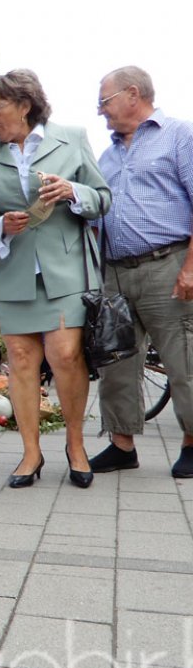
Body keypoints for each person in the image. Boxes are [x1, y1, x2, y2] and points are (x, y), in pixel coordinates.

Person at [0, 69, 111, 489]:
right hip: (12, 274)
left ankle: (76, 445)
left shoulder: (73, 138)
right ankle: (30, 453)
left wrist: (72, 192)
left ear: (25, 104)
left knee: (65, 355)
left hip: (65, 271)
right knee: (22, 362)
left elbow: (103, 199)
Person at [88, 66, 193, 479]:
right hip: (114, 270)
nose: (100, 112)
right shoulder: (107, 154)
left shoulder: (178, 135)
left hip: (166, 265)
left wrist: (190, 268)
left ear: (133, 94)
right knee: (115, 361)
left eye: (104, 101)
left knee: (182, 360)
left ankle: (191, 442)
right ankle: (121, 445)